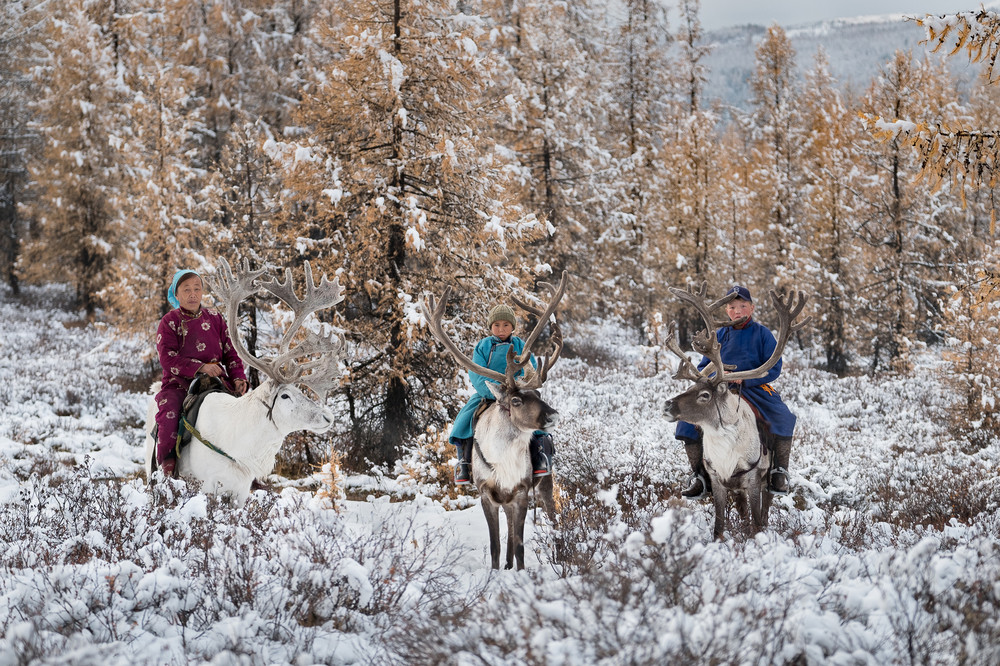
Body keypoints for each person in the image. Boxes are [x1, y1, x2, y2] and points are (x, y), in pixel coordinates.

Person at [675, 284, 796, 498]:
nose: (737, 311)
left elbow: (774, 366)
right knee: (686, 422)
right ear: (726, 311)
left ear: (752, 308)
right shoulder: (718, 334)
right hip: (721, 391)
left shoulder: (762, 334)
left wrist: (747, 379)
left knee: (783, 416)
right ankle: (701, 477)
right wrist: (713, 378)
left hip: (754, 388)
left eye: (742, 306)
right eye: (732, 307)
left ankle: (779, 472)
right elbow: (704, 367)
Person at [154, 269, 248, 477]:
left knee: (245, 418)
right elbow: (167, 358)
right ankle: (166, 472)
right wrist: (200, 367)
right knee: (168, 419)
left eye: (197, 289)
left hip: (216, 382)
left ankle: (249, 472)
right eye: (186, 289)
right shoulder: (169, 322)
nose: (193, 294)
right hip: (179, 384)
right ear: (176, 295)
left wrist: (239, 378)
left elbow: (231, 352)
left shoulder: (215, 318)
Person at [448, 304, 553, 485]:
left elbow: (531, 370)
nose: (501, 329)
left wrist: (521, 386)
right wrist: (494, 391)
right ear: (490, 327)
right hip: (488, 395)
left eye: (506, 325)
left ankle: (539, 455)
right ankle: (464, 462)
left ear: (513, 326)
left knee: (534, 419)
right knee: (465, 421)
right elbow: (476, 373)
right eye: (497, 325)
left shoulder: (521, 345)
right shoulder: (483, 347)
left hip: (517, 396)